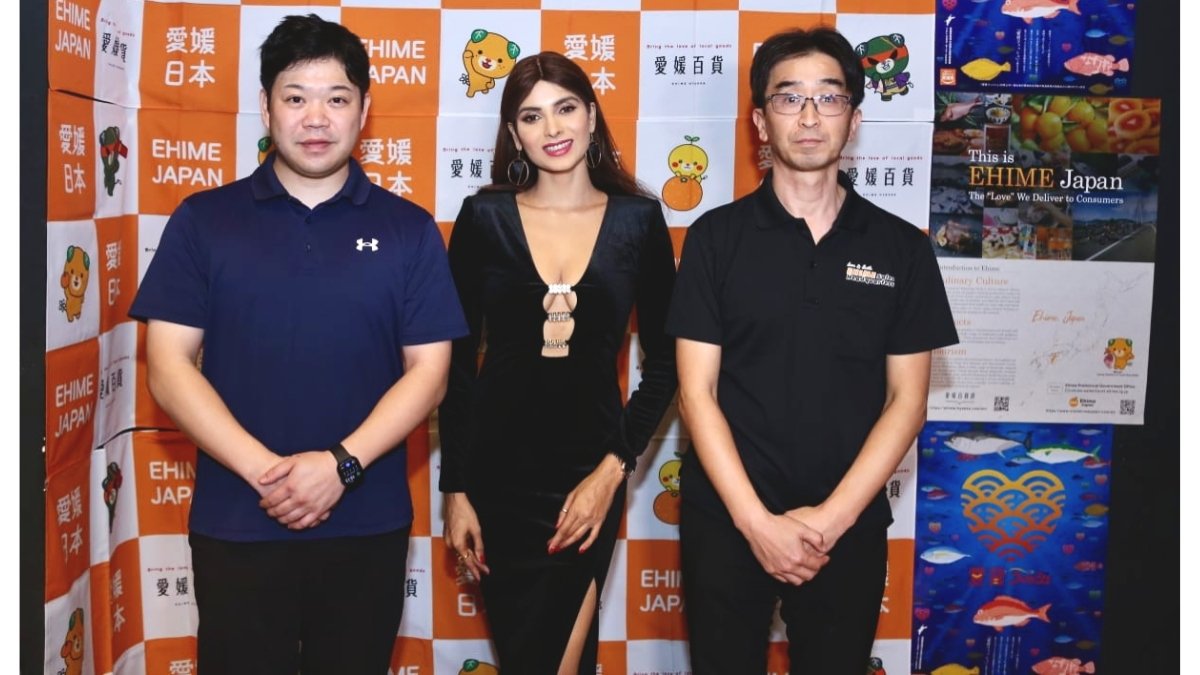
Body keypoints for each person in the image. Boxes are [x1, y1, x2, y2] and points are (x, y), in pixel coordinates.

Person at [128, 14, 467, 675]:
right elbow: (167, 367)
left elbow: (430, 372)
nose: (316, 118)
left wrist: (339, 467)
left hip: (366, 521)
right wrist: (270, 474)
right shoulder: (205, 220)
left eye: (336, 98)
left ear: (364, 110)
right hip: (238, 518)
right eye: (296, 97)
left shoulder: (408, 229)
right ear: (266, 107)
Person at [666, 27, 959, 674]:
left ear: (854, 119)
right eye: (788, 97)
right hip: (728, 518)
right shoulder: (715, 238)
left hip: (847, 524)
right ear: (759, 121)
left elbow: (908, 403)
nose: (808, 116)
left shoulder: (901, 248)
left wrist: (829, 520)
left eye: (828, 98)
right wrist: (757, 523)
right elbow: (696, 393)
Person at [438, 51, 678, 674]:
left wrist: (612, 470)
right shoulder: (484, 218)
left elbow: (668, 363)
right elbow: (454, 367)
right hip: (496, 477)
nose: (552, 128)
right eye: (531, 116)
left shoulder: (639, 222)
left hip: (588, 475)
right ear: (513, 132)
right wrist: (455, 490)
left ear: (592, 117)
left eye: (565, 108)